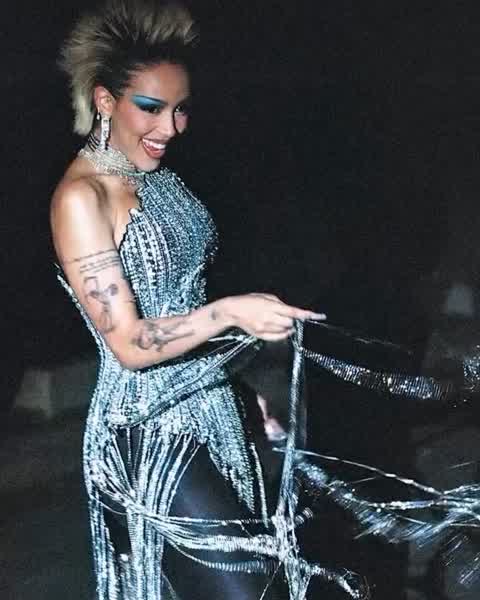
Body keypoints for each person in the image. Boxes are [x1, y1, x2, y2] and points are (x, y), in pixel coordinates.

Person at [51, 1, 325, 598]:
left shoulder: (155, 176)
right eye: (151, 108)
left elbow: (178, 295)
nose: (171, 128)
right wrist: (229, 313)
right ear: (105, 101)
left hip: (211, 406)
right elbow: (129, 344)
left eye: (180, 109)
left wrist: (238, 390)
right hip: (147, 431)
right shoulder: (81, 199)